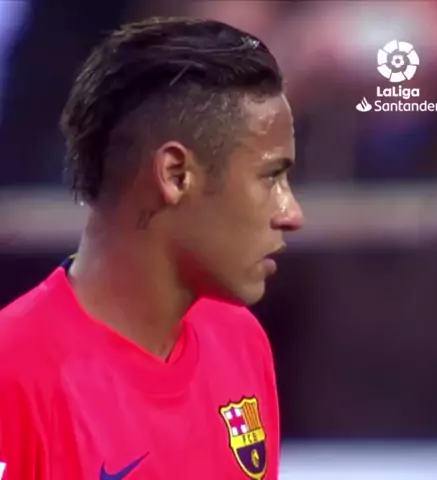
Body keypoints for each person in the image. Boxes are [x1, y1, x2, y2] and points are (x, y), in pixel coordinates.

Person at [0, 16, 304, 480]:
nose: (291, 213)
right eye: (270, 178)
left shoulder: (240, 340)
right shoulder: (13, 374)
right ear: (175, 175)